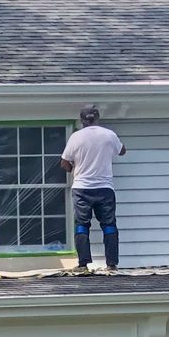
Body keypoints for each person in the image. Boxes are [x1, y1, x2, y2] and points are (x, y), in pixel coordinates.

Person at [60, 105, 126, 272]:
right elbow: (122, 151)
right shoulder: (109, 135)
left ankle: (83, 264)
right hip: (104, 188)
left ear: (82, 120)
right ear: (97, 118)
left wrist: (73, 168)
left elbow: (64, 163)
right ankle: (112, 264)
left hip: (82, 188)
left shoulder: (76, 137)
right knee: (109, 225)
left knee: (82, 225)